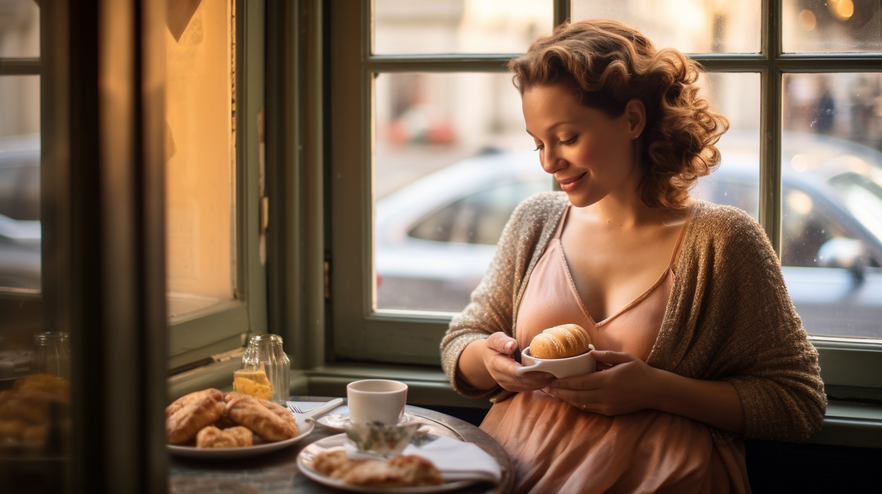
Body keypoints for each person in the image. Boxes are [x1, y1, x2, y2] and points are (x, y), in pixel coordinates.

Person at [440, 19, 825, 494]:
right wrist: (489, 361)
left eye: (566, 137)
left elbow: (797, 402)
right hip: (512, 474)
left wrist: (656, 389)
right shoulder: (535, 221)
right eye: (539, 142)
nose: (548, 161)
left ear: (633, 120)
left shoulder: (724, 241)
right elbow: (461, 342)